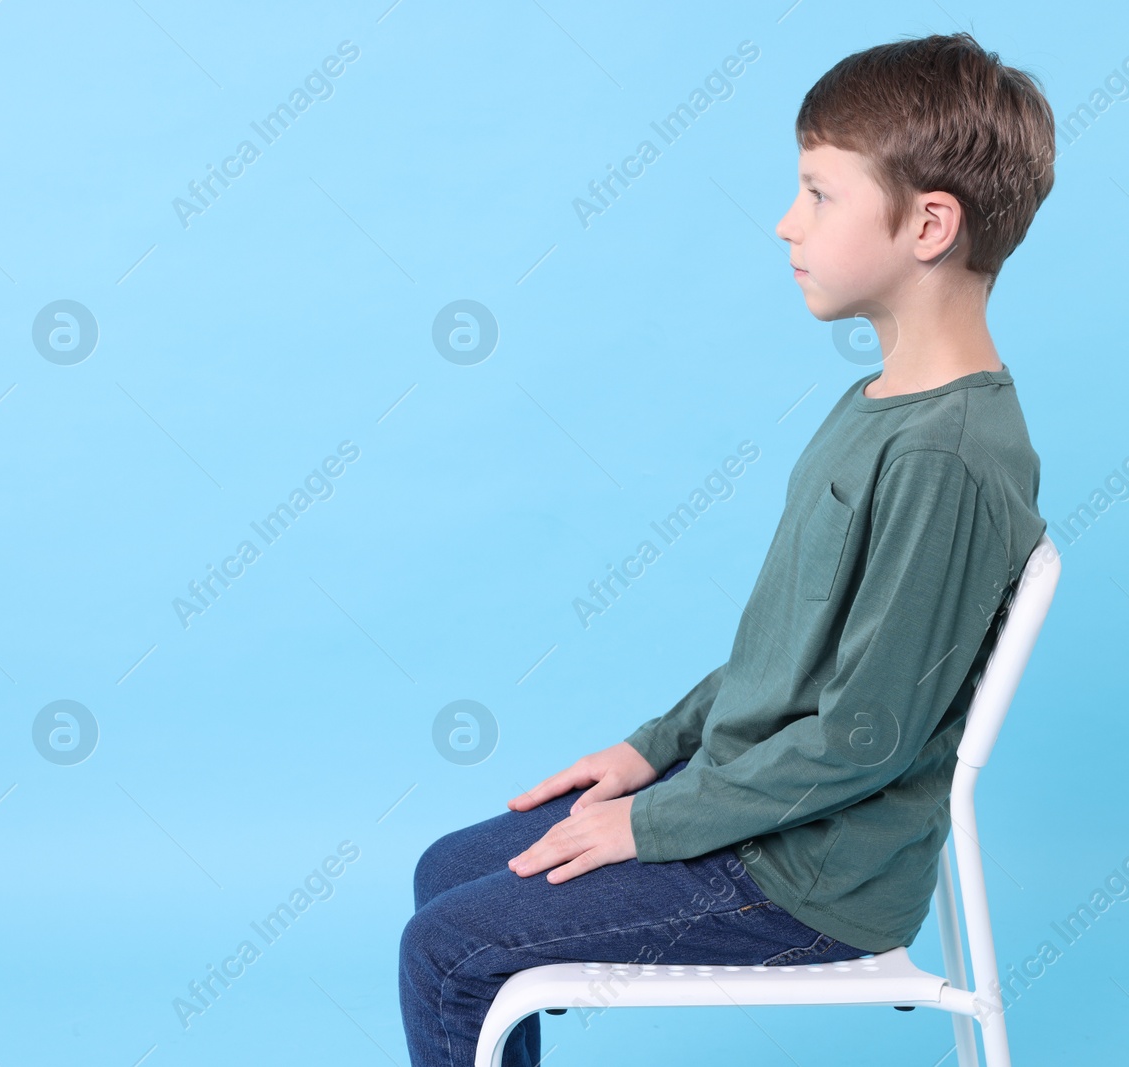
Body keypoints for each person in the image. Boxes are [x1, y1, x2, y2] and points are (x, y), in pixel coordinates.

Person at [400, 30, 1055, 1067]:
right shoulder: (880, 404)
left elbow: (864, 735)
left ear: (929, 223)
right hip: (756, 806)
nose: (787, 223)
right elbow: (790, 650)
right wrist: (653, 747)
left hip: (810, 877)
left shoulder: (950, 458)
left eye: (820, 193)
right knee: (449, 871)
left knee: (448, 948)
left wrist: (649, 825)